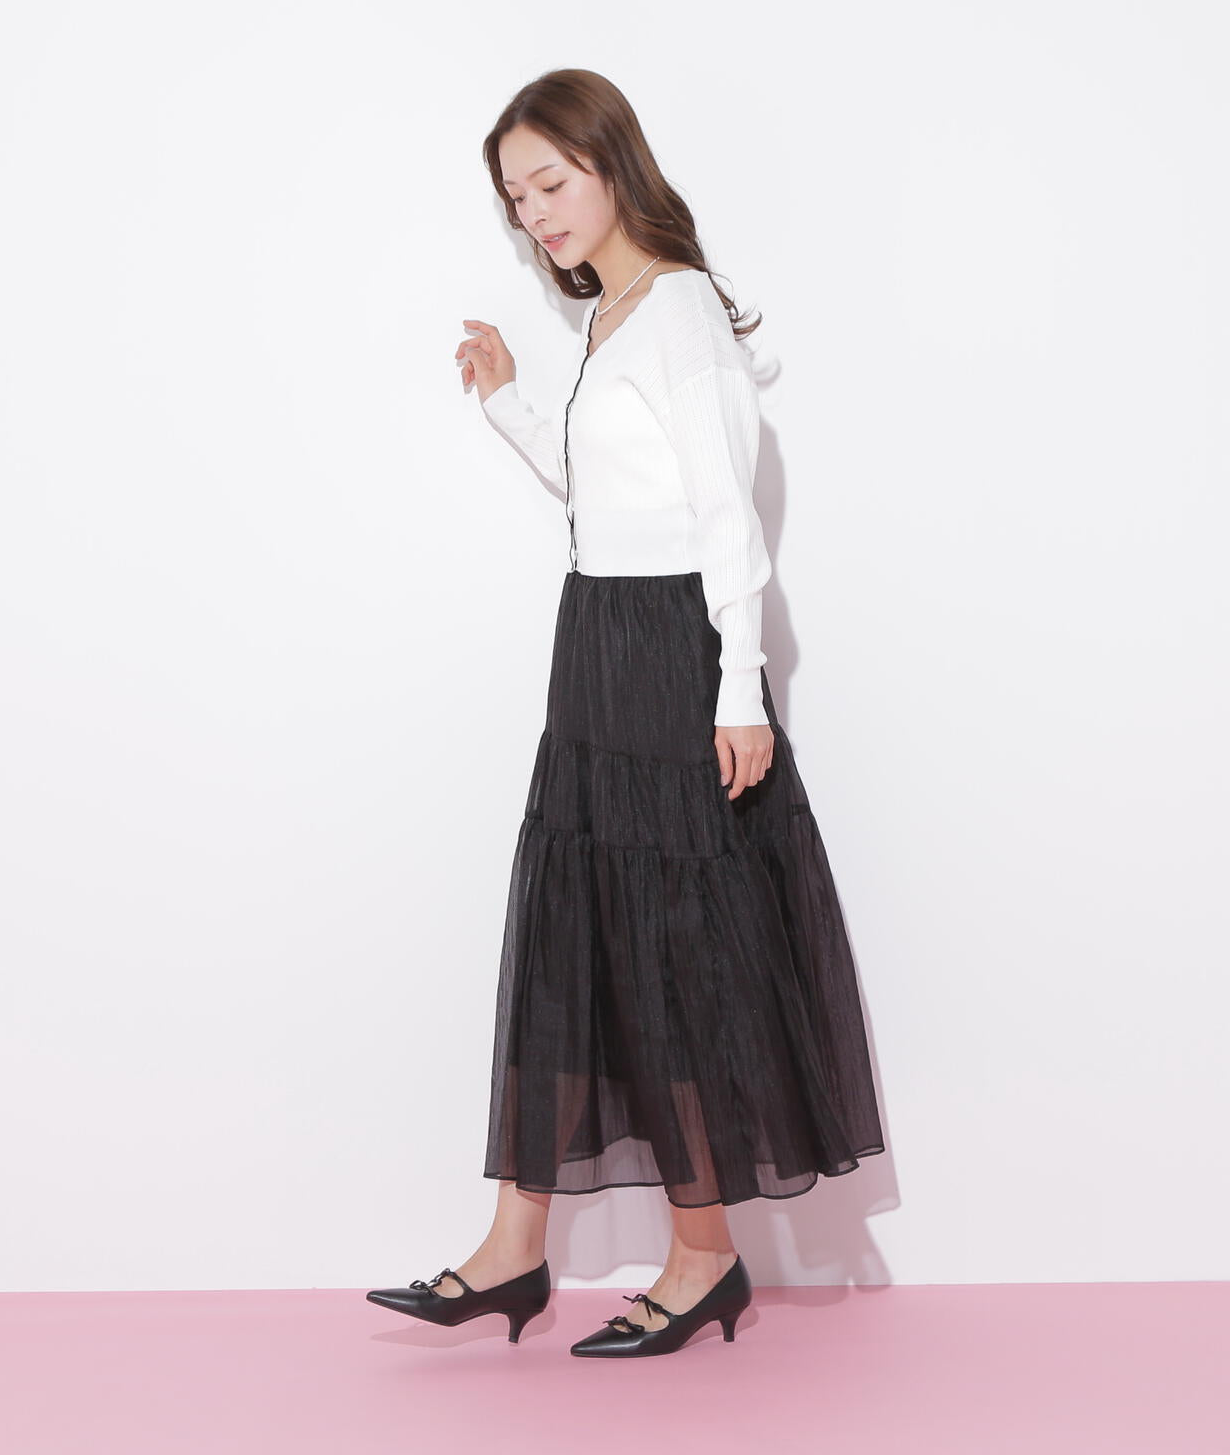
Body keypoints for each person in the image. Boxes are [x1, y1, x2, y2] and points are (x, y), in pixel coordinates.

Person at [367, 69, 884, 1359]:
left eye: (551, 181)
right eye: (515, 199)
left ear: (611, 163)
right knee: (581, 932)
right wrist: (506, 397)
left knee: (674, 950)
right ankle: (514, 1249)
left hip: (670, 652)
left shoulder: (681, 310)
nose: (535, 213)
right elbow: (607, 496)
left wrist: (737, 688)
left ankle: (704, 1259)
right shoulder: (614, 316)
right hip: (595, 636)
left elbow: (723, 516)